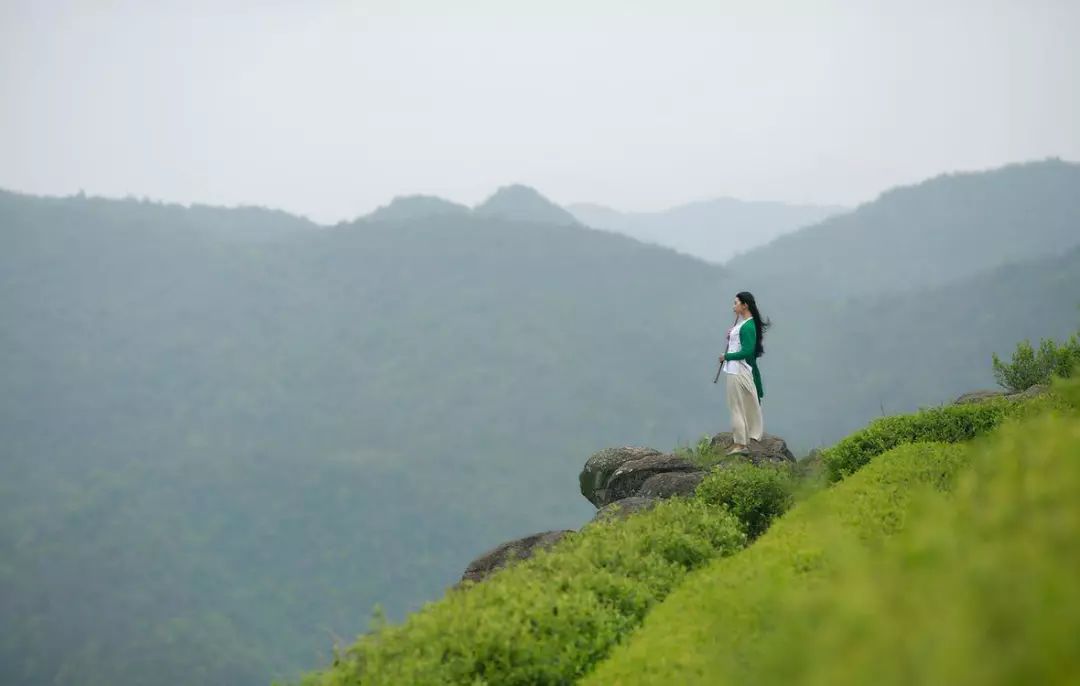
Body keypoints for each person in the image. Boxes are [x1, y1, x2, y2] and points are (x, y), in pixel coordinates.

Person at [717, 291, 769, 455]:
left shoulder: (746, 326)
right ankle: (751, 437)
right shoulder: (744, 324)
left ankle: (740, 443)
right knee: (747, 404)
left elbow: (747, 352)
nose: (733, 306)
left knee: (737, 408)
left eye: (736, 303)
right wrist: (731, 336)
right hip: (740, 371)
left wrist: (727, 356)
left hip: (737, 372)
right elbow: (740, 343)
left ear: (744, 305)